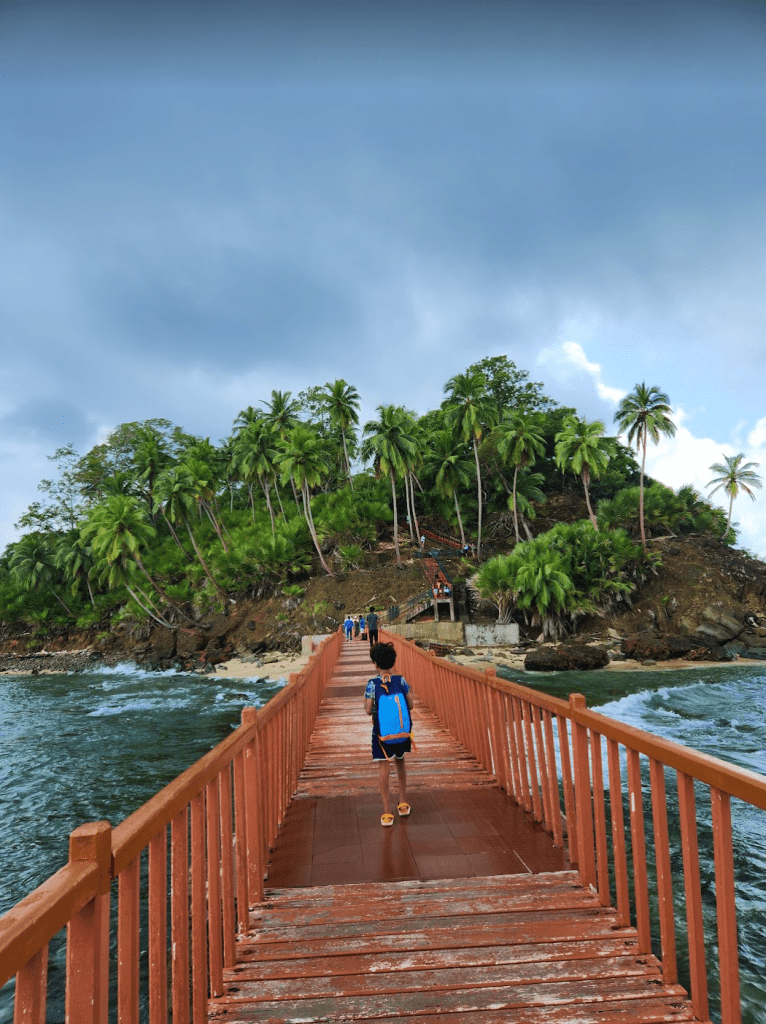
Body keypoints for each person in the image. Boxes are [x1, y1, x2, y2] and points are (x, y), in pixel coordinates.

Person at [364, 642, 413, 826]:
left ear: (375, 663)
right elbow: (411, 705)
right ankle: (403, 802)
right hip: (401, 731)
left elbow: (368, 710)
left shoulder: (372, 684)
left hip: (381, 733)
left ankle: (387, 811)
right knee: (400, 761)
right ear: (393, 662)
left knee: (383, 766)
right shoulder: (401, 681)